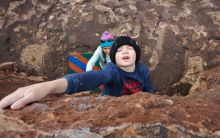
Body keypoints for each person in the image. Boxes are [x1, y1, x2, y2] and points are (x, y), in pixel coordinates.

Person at [0, 36, 154, 110]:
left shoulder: (143, 71)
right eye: (119, 50)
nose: (125, 51)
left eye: (130, 48)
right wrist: (49, 86)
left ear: (137, 54)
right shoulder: (111, 70)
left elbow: (149, 93)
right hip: (109, 108)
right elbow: (90, 78)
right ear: (114, 58)